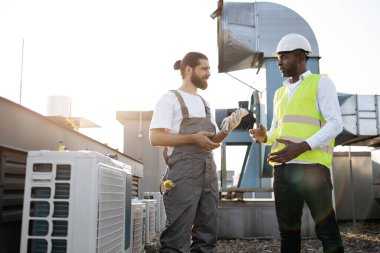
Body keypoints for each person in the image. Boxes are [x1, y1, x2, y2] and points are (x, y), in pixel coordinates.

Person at [249, 34, 344, 253]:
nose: (279, 62)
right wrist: (264, 136)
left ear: (300, 57)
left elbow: (335, 124)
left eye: (284, 57)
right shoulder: (279, 93)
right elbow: (277, 132)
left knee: (327, 231)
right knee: (288, 233)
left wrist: (302, 146)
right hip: (282, 172)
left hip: (313, 169)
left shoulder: (321, 82)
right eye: (279, 58)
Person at [149, 52, 248, 253]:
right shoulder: (170, 99)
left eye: (209, 69)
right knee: (177, 237)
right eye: (204, 68)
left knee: (206, 236)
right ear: (188, 70)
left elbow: (210, 142)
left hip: (208, 173)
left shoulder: (204, 103)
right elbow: (155, 137)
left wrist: (226, 129)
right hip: (183, 173)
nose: (208, 73)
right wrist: (192, 138)